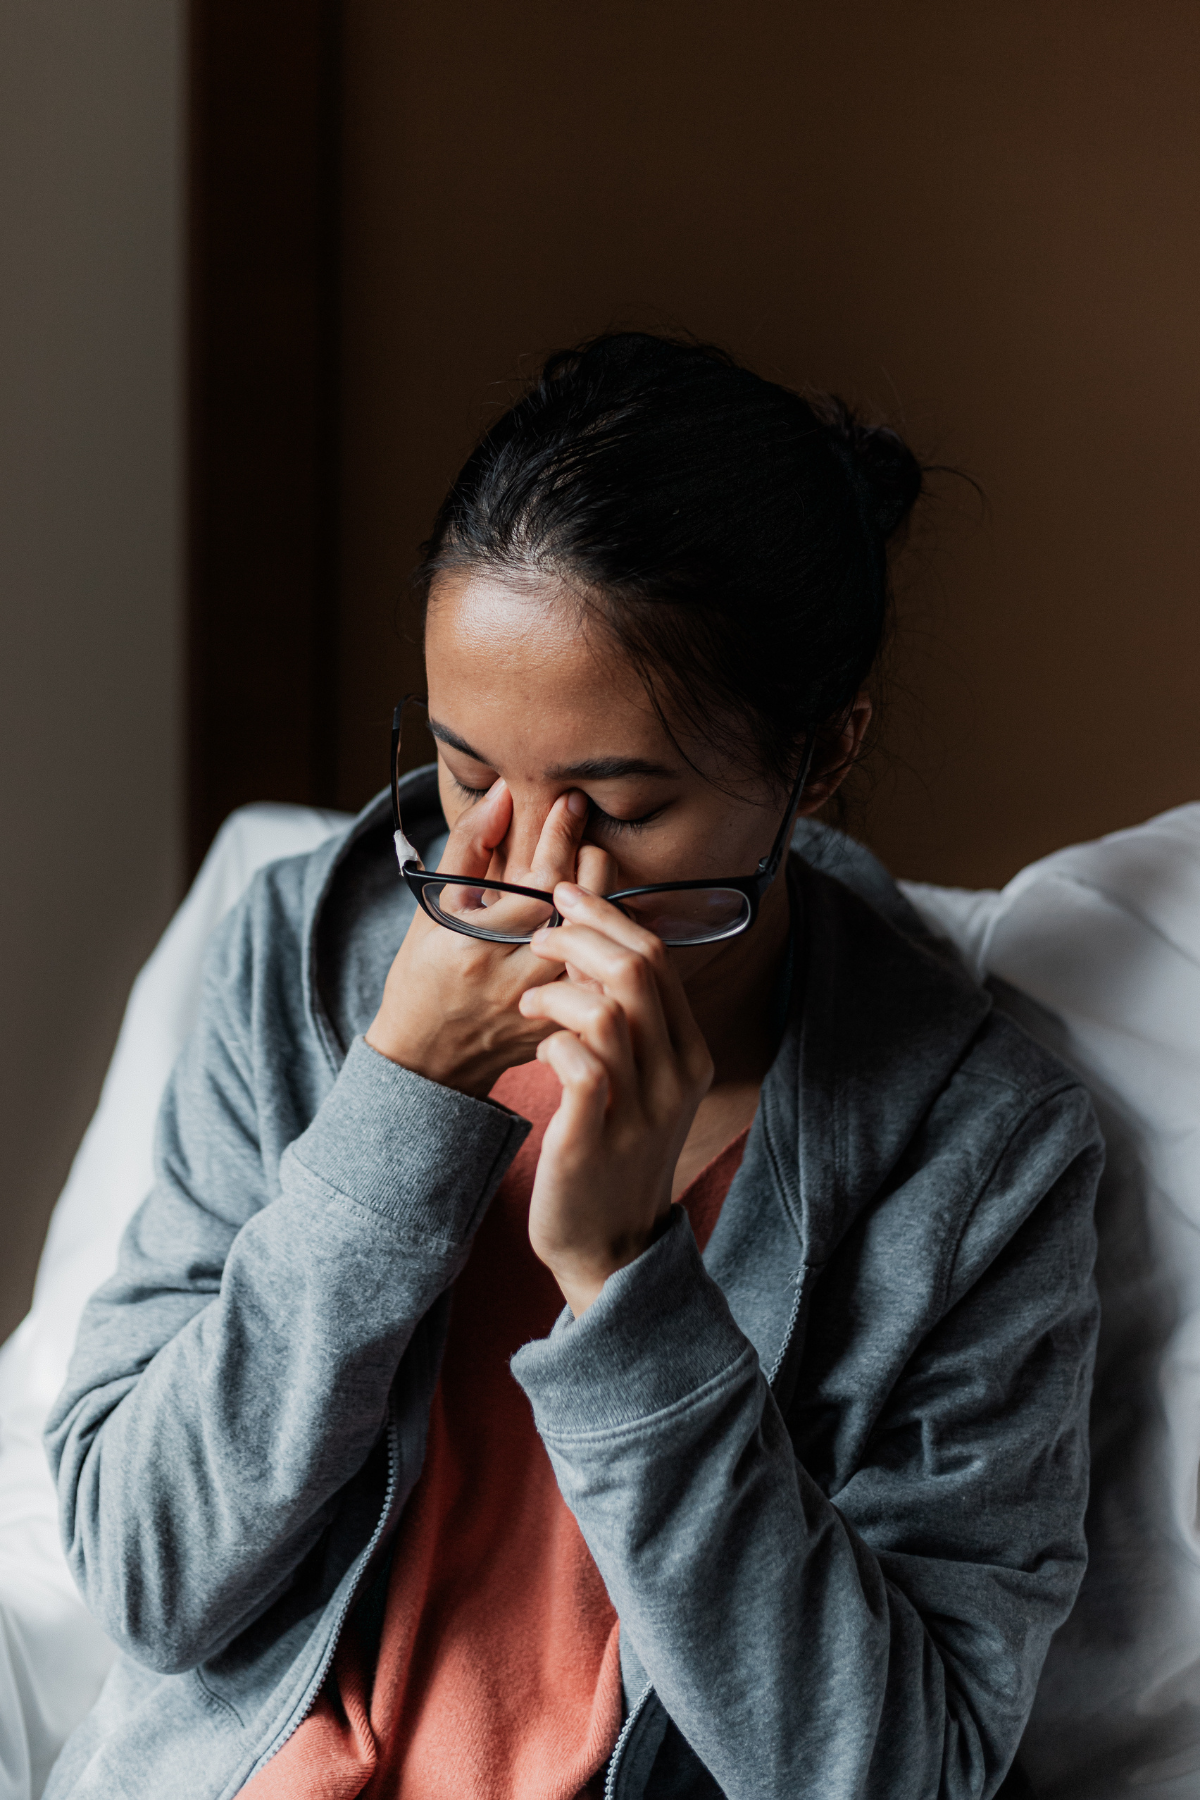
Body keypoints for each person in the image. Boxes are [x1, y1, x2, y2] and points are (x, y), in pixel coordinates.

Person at [44, 333, 1101, 1800]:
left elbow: (895, 1772)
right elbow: (146, 1573)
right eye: (470, 774)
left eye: (620, 806)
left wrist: (630, 1290)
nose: (533, 873)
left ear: (821, 754)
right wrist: (392, 1110)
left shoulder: (976, 1153)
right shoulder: (301, 954)